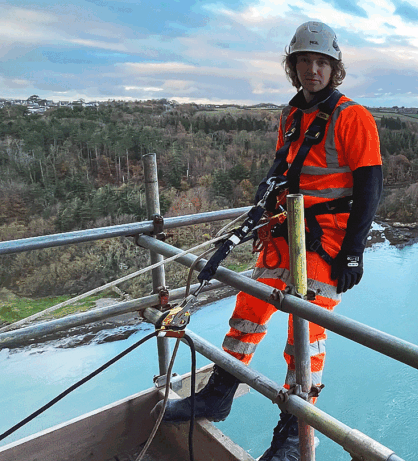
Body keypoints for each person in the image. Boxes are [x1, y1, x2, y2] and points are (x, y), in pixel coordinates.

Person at [163, 20, 383, 461]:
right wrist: (256, 211)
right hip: (283, 232)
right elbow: (282, 169)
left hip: (326, 244)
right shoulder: (291, 114)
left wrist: (354, 252)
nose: (313, 70)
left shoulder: (352, 116)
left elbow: (370, 186)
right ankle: (219, 393)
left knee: (305, 333)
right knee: (247, 312)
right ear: (294, 65)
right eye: (305, 61)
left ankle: (293, 432)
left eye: (322, 62)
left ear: (334, 69)